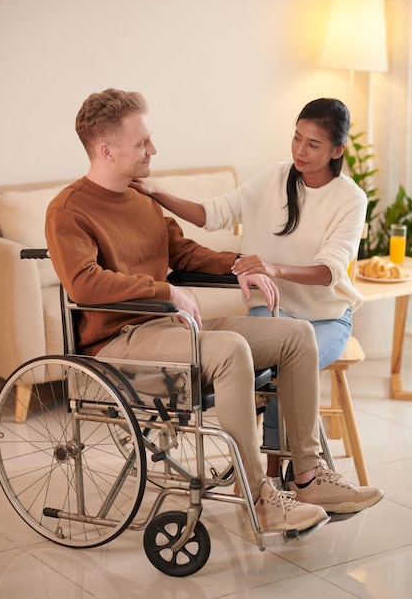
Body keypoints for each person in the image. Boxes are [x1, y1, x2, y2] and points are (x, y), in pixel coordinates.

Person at [45, 89, 383, 538]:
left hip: (167, 331)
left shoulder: (142, 199)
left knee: (296, 334)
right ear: (107, 150)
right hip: (119, 344)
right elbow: (83, 283)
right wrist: (163, 290)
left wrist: (244, 266)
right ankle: (260, 499)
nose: (154, 149)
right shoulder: (68, 209)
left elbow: (183, 252)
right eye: (143, 142)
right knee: (230, 350)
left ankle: (307, 477)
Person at [131, 97, 367, 478]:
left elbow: (330, 271)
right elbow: (212, 214)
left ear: (337, 150)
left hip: (326, 318)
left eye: (313, 144)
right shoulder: (274, 178)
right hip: (271, 311)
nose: (300, 151)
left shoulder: (350, 199)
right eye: (296, 138)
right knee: (273, 361)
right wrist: (157, 193)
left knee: (285, 365)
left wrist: (274, 267)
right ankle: (277, 473)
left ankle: (281, 470)